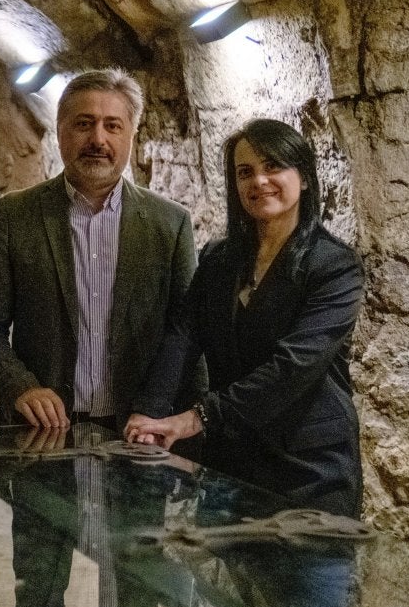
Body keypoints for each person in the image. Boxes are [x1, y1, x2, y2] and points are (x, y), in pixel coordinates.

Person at [125, 118, 365, 517]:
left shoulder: (334, 266)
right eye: (245, 172)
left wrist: (198, 417)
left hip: (307, 469)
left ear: (303, 177)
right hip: (231, 462)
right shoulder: (220, 259)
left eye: (273, 166)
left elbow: (294, 366)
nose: (260, 181)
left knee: (309, 577)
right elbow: (183, 333)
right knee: (226, 579)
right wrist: (152, 411)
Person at [0, 68, 198, 431]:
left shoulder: (170, 224)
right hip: (40, 436)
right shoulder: (16, 215)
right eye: (83, 124)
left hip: (136, 435)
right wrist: (21, 388)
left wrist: (155, 409)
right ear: (59, 132)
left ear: (131, 136)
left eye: (113, 126)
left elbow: (185, 332)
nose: (97, 139)